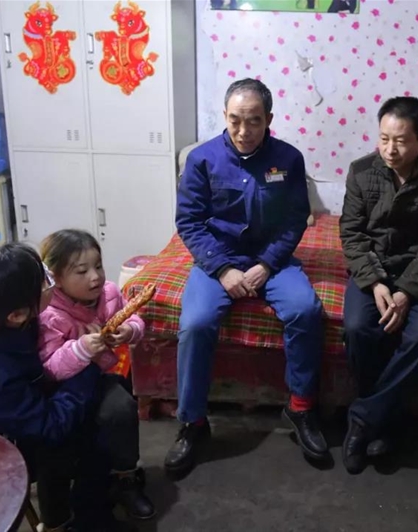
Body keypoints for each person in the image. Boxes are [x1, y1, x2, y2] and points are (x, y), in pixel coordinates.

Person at [166, 78, 326, 476]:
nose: (243, 130)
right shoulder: (201, 160)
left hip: (271, 260)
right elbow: (189, 222)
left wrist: (267, 263)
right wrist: (222, 269)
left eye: (253, 120)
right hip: (217, 260)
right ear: (224, 115)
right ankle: (193, 422)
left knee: (305, 310)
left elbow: (295, 219)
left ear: (268, 119)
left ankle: (301, 408)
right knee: (196, 323)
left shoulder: (288, 159)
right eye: (235, 120)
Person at [0, 244, 128, 532]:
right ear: (17, 314)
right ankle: (74, 520)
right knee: (92, 432)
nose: (51, 283)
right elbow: (49, 425)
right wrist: (87, 362)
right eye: (45, 280)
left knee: (114, 398)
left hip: (16, 412)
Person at [339, 96, 418, 474]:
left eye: (401, 141)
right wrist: (375, 282)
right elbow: (352, 234)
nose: (391, 149)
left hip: (417, 274)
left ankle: (364, 419)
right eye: (384, 139)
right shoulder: (361, 171)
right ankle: (385, 422)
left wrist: (406, 292)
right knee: (357, 328)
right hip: (372, 270)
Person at [39, 229, 155, 521]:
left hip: (102, 376)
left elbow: (134, 317)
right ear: (56, 277)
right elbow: (49, 367)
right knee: (79, 437)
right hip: (66, 388)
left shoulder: (110, 294)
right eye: (82, 271)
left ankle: (126, 476)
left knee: (122, 408)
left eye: (98, 266)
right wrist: (80, 349)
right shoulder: (50, 314)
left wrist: (128, 330)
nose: (95, 277)